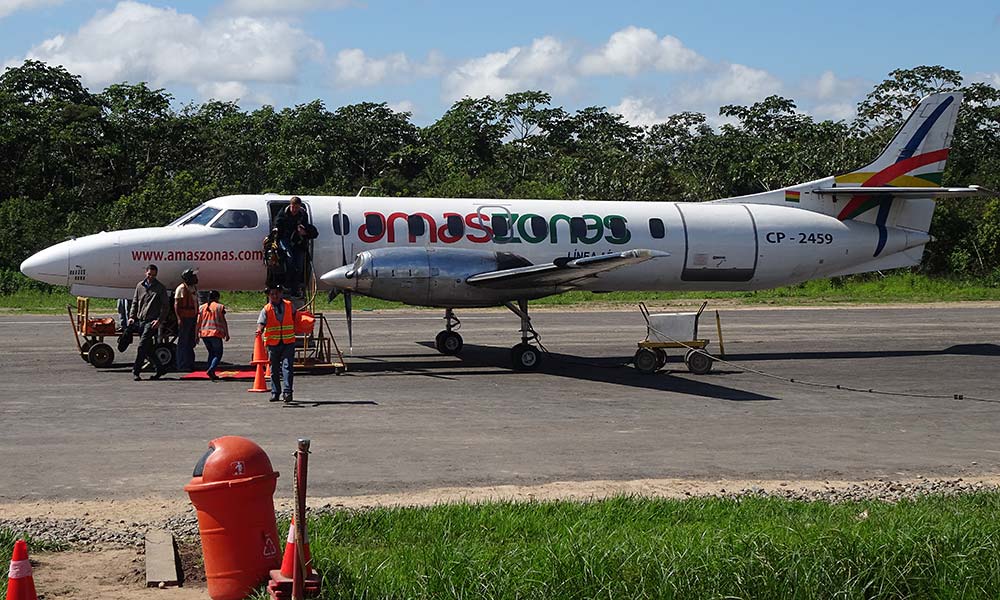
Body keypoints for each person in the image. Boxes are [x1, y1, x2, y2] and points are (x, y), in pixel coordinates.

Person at [128, 264, 169, 381]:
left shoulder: (160, 288)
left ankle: (136, 371)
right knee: (148, 349)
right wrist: (132, 317)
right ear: (146, 273)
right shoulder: (139, 286)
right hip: (141, 320)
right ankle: (160, 368)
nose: (151, 277)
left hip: (151, 322)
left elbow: (166, 306)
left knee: (141, 347)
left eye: (154, 275)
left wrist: (159, 320)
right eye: (150, 274)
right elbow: (135, 302)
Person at [256, 285, 296, 403]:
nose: (274, 296)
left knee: (287, 367)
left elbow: (296, 316)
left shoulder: (289, 305)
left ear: (281, 293)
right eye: (272, 294)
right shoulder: (266, 309)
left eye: (276, 293)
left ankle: (287, 392)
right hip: (273, 343)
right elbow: (261, 322)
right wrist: (259, 330)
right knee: (274, 369)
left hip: (288, 342)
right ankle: (275, 392)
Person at [274, 196, 315, 296]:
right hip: (285, 239)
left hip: (297, 241)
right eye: (293, 207)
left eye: (296, 208)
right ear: (290, 205)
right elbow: (277, 225)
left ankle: (295, 288)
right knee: (289, 258)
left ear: (299, 207)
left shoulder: (302, 214)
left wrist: (304, 231)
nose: (294, 210)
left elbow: (306, 226)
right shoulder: (283, 214)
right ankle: (287, 284)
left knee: (299, 265)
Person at [197, 290, 230, 381]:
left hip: (204, 334)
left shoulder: (202, 307)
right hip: (215, 333)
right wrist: (226, 333)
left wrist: (196, 334)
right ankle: (211, 369)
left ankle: (211, 370)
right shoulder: (219, 307)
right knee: (218, 353)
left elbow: (198, 322)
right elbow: (223, 321)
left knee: (211, 353)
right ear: (217, 298)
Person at [174, 268, 199, 372]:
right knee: (183, 342)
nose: (196, 278)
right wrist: (179, 318)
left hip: (192, 317)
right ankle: (182, 364)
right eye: (193, 276)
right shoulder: (181, 288)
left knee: (191, 342)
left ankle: (190, 363)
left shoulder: (193, 288)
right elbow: (176, 304)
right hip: (185, 318)